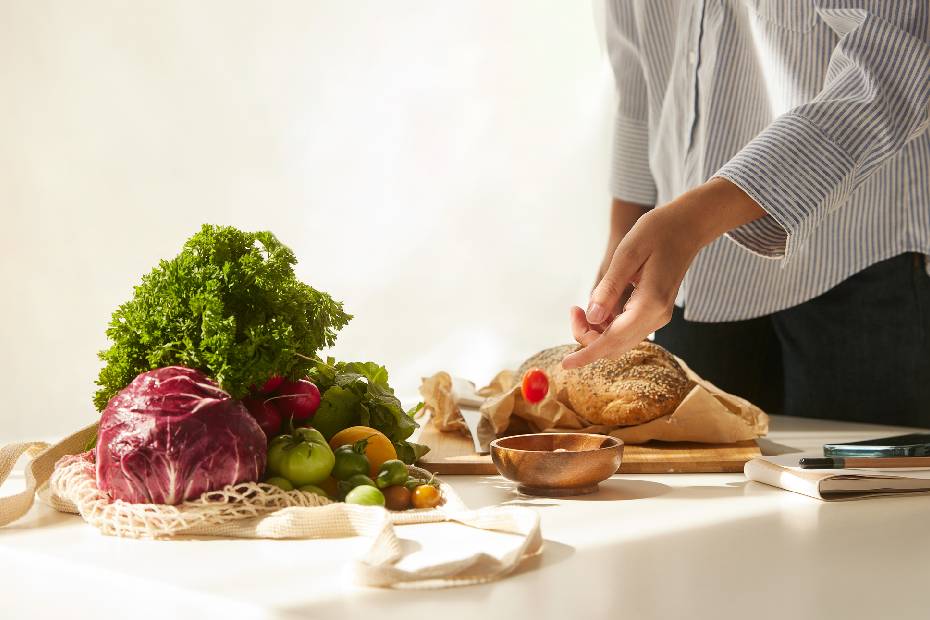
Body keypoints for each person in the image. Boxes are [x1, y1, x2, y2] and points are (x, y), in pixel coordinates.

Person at [562, 1, 930, 427]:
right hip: (691, 271)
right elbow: (640, 81)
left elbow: (899, 60)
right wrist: (621, 252)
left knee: (864, 491)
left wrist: (692, 221)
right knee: (704, 486)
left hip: (861, 258)